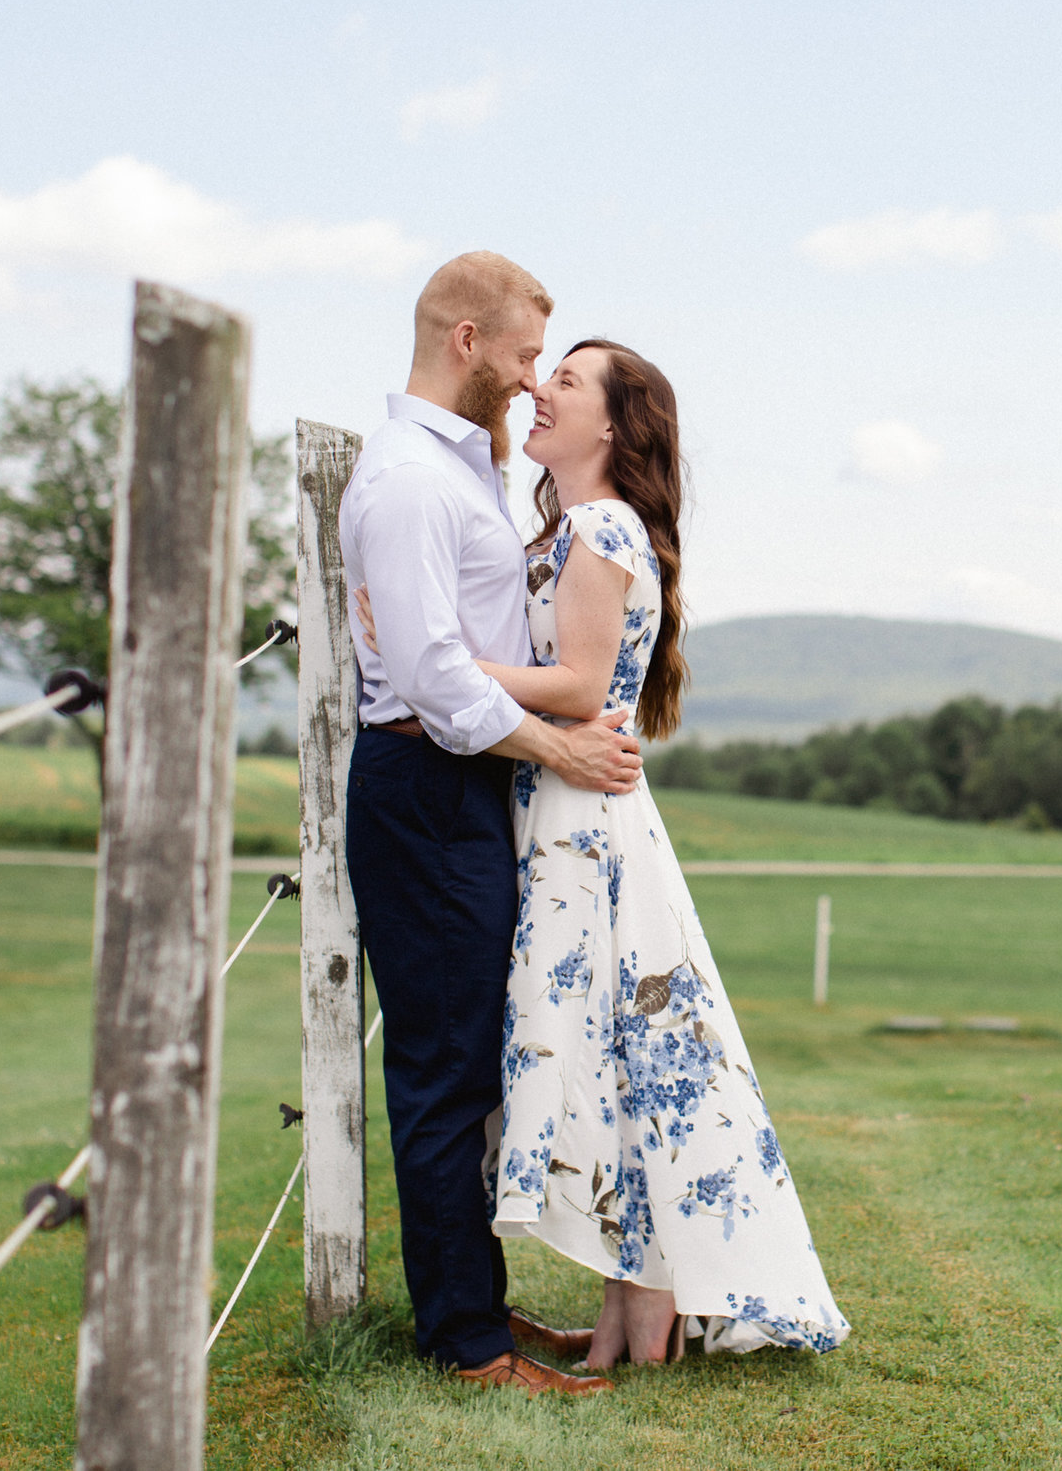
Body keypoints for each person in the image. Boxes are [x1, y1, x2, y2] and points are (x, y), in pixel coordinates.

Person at [360, 337, 850, 1367]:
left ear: (614, 427)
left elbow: (582, 685)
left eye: (567, 380)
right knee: (626, 1059)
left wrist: (425, 652)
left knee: (626, 1055)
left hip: (581, 824)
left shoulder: (597, 523)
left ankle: (649, 1309)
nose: (539, 388)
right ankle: (639, 1317)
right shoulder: (564, 523)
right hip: (557, 803)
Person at [339, 252, 643, 1399]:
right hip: (424, 784)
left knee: (470, 1052)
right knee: (443, 1066)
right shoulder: (414, 479)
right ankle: (468, 1346)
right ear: (464, 339)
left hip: (460, 780)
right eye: (522, 360)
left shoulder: (457, 474)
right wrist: (563, 746)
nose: (530, 386)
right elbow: (428, 679)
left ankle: (471, 1302)